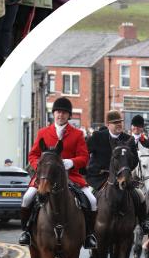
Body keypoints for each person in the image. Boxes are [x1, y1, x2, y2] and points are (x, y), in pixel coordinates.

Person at [18, 97, 97, 249]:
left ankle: (89, 235)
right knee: (27, 198)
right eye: (58, 112)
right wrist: (40, 167)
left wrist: (72, 162)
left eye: (64, 113)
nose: (60, 115)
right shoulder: (43, 132)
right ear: (54, 114)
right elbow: (32, 155)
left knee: (92, 200)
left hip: (71, 176)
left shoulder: (77, 134)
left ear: (69, 116)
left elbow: (84, 157)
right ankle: (26, 232)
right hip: (44, 177)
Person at [85, 109, 149, 232]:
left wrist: (125, 169)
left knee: (140, 195)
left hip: (121, 177)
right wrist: (86, 169)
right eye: (115, 122)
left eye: (120, 121)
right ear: (108, 124)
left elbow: (135, 160)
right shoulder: (97, 136)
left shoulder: (129, 139)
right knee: (89, 198)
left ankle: (143, 222)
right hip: (99, 177)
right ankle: (88, 229)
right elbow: (84, 153)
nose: (119, 124)